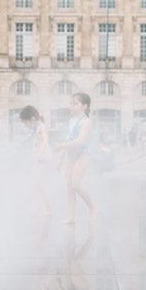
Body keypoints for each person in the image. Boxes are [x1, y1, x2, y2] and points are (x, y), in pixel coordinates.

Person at [53, 92, 97, 225]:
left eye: (75, 103)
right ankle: (71, 216)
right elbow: (69, 139)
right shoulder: (71, 121)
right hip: (70, 156)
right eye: (70, 103)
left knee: (75, 184)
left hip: (82, 156)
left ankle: (92, 207)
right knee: (69, 186)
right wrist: (60, 158)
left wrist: (60, 146)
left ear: (85, 106)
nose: (71, 106)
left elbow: (81, 140)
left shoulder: (86, 122)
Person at [20, 106, 52, 217]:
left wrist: (42, 150)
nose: (26, 126)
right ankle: (38, 207)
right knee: (33, 182)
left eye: (26, 123)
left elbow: (45, 139)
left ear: (33, 119)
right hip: (39, 160)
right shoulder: (36, 127)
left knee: (38, 183)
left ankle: (48, 208)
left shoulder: (42, 127)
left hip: (43, 159)